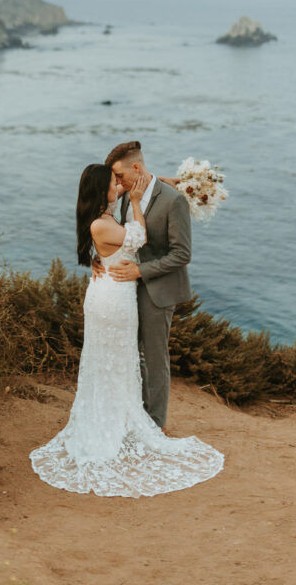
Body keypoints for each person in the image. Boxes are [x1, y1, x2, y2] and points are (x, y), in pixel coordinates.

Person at [29, 161, 223, 497]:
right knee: (113, 360)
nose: (118, 186)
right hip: (113, 301)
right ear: (101, 190)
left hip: (116, 295)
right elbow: (139, 235)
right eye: (112, 183)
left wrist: (157, 182)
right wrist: (135, 203)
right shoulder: (101, 225)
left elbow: (135, 188)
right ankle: (113, 422)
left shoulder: (104, 214)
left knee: (119, 359)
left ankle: (122, 417)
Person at [97, 140, 191, 430]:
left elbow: (182, 254)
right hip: (124, 290)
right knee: (129, 352)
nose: (117, 182)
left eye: (120, 176)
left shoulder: (173, 200)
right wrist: (96, 259)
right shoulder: (125, 194)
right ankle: (135, 414)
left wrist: (141, 271)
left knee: (154, 357)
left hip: (157, 289)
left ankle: (155, 424)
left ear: (135, 168)